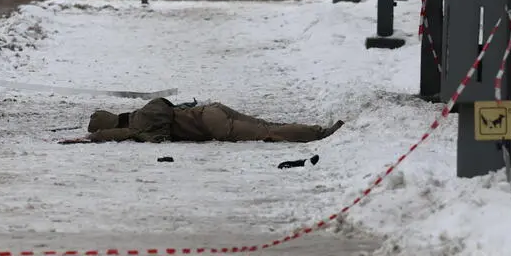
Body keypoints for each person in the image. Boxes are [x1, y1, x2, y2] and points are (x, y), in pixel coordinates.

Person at [59, 97, 344, 144]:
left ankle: (319, 134)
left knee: (265, 133)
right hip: (211, 111)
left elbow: (121, 136)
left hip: (211, 125)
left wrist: (92, 138)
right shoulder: (144, 112)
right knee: (264, 124)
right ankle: (315, 130)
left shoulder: (138, 123)